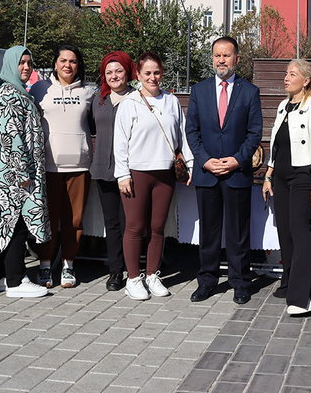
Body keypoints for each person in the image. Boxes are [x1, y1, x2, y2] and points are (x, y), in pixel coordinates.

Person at [186, 36, 262, 305]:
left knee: (238, 232)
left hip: (236, 173)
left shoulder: (249, 92)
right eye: (217, 55)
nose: (221, 60)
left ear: (236, 59)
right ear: (212, 58)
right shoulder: (199, 91)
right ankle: (206, 281)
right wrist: (205, 160)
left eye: (227, 55)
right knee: (208, 231)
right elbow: (191, 132)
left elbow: (254, 134)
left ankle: (240, 282)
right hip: (207, 173)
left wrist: (236, 160)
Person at [114, 52, 193, 301]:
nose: (152, 77)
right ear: (137, 75)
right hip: (137, 172)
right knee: (135, 227)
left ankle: (151, 275)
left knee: (157, 228)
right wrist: (122, 174)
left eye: (156, 72)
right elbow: (120, 142)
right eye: (147, 73)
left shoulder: (172, 101)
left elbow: (182, 135)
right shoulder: (129, 103)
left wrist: (189, 164)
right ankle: (133, 279)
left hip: (165, 172)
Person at [0, 46, 50, 298]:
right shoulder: (9, 94)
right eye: (21, 62)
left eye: (29, 63)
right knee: (17, 223)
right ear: (10, 63)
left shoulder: (7, 89)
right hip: (14, 174)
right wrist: (22, 174)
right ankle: (16, 281)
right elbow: (12, 137)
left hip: (6, 172)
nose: (26, 67)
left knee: (0, 224)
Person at [262, 59, 311, 316]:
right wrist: (268, 174)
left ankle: (308, 298)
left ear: (306, 81)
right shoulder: (283, 106)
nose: (286, 78)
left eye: (292, 74)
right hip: (280, 175)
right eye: (286, 73)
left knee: (300, 231)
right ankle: (289, 281)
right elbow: (276, 145)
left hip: (304, 175)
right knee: (286, 231)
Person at [30, 44, 95, 289]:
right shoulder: (39, 89)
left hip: (79, 167)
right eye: (63, 60)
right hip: (47, 167)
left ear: (79, 66)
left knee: (74, 220)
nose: (68, 65)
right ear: (55, 63)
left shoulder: (89, 93)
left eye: (73, 61)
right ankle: (45, 266)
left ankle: (68, 266)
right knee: (47, 219)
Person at [90, 51, 136, 292]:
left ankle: (134, 271)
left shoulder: (138, 98)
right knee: (113, 224)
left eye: (118, 70)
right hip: (103, 171)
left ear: (128, 72)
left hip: (130, 173)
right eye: (109, 72)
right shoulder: (98, 100)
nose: (114, 75)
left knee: (131, 223)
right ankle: (115, 272)